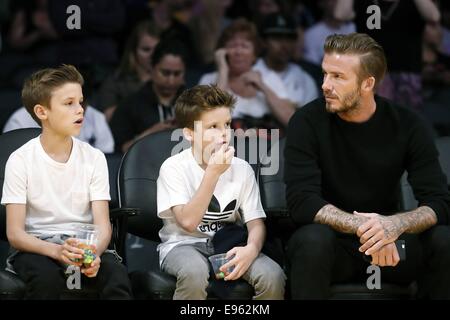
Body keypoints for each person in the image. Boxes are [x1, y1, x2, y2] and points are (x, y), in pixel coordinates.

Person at [285, 33, 450, 299]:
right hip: (334, 248)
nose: (326, 85)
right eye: (325, 74)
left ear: (367, 83)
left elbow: (440, 202)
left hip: (393, 250)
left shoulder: (408, 124)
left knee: (444, 241)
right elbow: (302, 201)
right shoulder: (306, 121)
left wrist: (395, 226)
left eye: (338, 77)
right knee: (311, 240)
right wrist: (369, 230)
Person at [1, 65, 132, 299]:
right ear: (42, 112)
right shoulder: (20, 160)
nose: (80, 110)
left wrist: (93, 253)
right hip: (37, 246)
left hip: (84, 245)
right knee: (46, 280)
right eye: (69, 103)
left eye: (80, 102)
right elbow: (15, 233)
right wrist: (56, 251)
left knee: (116, 276)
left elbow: (103, 226)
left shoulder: (94, 157)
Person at [157, 84, 286, 300]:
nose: (224, 133)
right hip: (182, 245)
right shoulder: (173, 167)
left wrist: (251, 249)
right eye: (213, 127)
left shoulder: (242, 168)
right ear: (189, 134)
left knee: (273, 276)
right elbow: (187, 222)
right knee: (193, 272)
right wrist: (213, 174)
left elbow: (255, 223)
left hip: (227, 244)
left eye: (226, 124)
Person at [199, 18, 294, 137]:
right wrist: (223, 70)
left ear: (254, 55)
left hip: (267, 150)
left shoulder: (269, 78)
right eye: (233, 46)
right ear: (223, 52)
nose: (238, 52)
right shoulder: (209, 79)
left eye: (244, 46)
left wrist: (262, 86)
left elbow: (291, 121)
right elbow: (209, 118)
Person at [110, 39, 186, 153]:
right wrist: (151, 134)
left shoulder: (194, 105)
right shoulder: (130, 105)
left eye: (177, 74)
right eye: (165, 73)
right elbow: (118, 154)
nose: (171, 81)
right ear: (152, 68)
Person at [97, 20, 161, 122]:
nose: (153, 55)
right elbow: (107, 117)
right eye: (146, 49)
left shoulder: (170, 80)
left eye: (157, 50)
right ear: (133, 51)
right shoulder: (117, 81)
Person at [255, 13, 318, 108]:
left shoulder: (305, 79)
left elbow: (309, 121)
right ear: (264, 42)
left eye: (289, 39)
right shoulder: (251, 72)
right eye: (277, 38)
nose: (284, 45)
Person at [2, 104, 114, 154]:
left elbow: (106, 157)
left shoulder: (96, 117)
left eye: (81, 102)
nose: (77, 110)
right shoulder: (20, 119)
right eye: (69, 103)